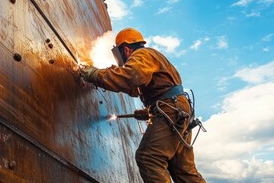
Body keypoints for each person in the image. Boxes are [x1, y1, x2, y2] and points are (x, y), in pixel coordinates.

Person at [79, 28, 205, 183]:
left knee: (148, 158)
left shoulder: (142, 55)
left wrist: (94, 74)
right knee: (183, 171)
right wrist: (149, 111)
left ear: (125, 49)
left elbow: (131, 77)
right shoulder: (150, 58)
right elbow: (136, 87)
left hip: (172, 109)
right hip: (177, 110)